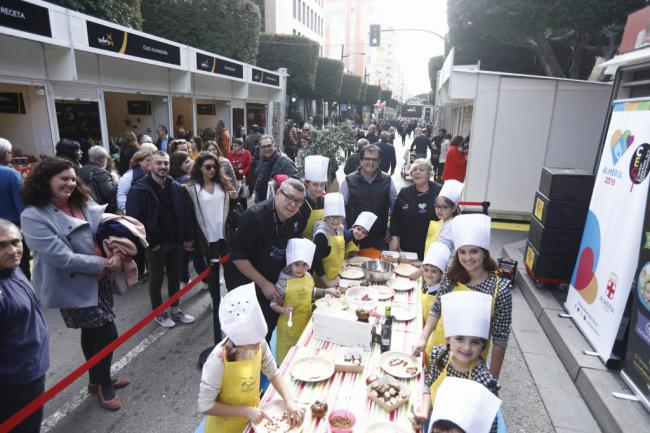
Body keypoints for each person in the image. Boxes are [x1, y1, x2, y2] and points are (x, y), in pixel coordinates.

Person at [21, 158, 129, 410]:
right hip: (72, 283)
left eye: (73, 178)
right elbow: (62, 258)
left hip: (99, 278)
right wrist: (104, 263)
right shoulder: (33, 215)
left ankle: (96, 378)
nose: (70, 183)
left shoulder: (81, 201)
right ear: (45, 181)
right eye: (63, 179)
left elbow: (101, 226)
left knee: (92, 331)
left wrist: (119, 241)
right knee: (107, 333)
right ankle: (104, 384)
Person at [413, 214, 513, 379]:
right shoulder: (451, 276)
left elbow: (500, 339)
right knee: (429, 390)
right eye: (462, 252)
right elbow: (436, 308)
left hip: (470, 359)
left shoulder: (500, 290)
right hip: (437, 346)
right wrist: (423, 338)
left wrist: (493, 378)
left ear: (484, 253)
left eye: (474, 251)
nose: (467, 258)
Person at [198, 283, 305, 433]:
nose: (258, 346)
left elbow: (272, 371)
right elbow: (205, 405)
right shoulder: (218, 360)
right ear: (238, 340)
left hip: (252, 418)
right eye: (252, 344)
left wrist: (289, 400)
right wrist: (245, 411)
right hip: (226, 427)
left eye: (259, 341)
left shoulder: (258, 341)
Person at [228, 178, 306, 342]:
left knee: (269, 328)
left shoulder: (298, 218)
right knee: (250, 336)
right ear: (278, 193)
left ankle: (267, 364)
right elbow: (238, 257)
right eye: (289, 197)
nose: (292, 204)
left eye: (298, 201)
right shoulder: (254, 217)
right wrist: (264, 284)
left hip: (275, 281)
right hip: (249, 283)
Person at [411, 291, 499, 433]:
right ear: (448, 338)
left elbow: (489, 428)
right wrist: (424, 414)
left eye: (475, 342)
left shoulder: (484, 383)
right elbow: (429, 385)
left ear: (483, 345)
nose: (466, 347)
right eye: (459, 339)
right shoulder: (440, 355)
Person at [126, 151, 196, 328]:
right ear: (150, 165)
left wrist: (187, 237)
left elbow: (186, 213)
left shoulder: (176, 187)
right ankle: (159, 313)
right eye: (158, 163)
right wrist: (150, 242)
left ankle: (175, 309)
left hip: (176, 242)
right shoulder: (138, 189)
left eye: (165, 163)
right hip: (155, 245)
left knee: (174, 277)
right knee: (156, 280)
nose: (163, 167)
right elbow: (134, 220)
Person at [0, 219, 49, 433]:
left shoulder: (13, 269)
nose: (12, 250)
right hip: (16, 383)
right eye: (1, 245)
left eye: (15, 242)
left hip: (31, 371)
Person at [185, 152, 237, 343]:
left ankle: (231, 302)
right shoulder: (192, 188)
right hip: (205, 238)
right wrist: (189, 238)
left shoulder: (222, 184)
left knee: (230, 271)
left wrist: (234, 194)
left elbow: (234, 201)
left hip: (225, 236)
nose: (212, 170)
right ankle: (216, 302)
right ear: (199, 167)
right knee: (212, 275)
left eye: (214, 167)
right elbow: (189, 215)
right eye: (208, 167)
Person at [272, 238, 339, 363]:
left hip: (306, 322)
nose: (300, 268)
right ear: (290, 263)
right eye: (296, 264)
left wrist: (327, 291)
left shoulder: (308, 276)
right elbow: (273, 304)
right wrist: (284, 310)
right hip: (288, 327)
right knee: (287, 360)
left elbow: (312, 291)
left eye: (304, 265)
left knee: (303, 358)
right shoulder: (283, 282)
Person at [340, 144, 397, 252]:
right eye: (367, 159)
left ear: (379, 161)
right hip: (355, 238)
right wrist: (346, 233)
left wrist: (390, 228)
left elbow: (395, 206)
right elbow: (341, 207)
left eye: (374, 159)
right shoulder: (348, 181)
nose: (371, 162)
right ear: (360, 160)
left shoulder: (387, 180)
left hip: (380, 238)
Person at [389, 159, 442, 260]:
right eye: (414, 170)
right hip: (408, 248)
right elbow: (395, 218)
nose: (417, 172)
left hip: (433, 248)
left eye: (422, 170)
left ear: (429, 173)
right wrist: (395, 237)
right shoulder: (405, 193)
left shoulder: (439, 191)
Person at [0, 138, 30, 278]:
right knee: (20, 273)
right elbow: (23, 207)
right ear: (6, 153)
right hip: (12, 234)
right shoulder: (11, 174)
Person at [418, 242, 451, 365]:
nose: (428, 274)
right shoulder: (426, 285)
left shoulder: (440, 292)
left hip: (432, 334)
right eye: (425, 270)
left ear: (442, 274)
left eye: (434, 271)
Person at [312, 193, 349, 288]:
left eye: (339, 217)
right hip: (323, 281)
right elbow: (316, 261)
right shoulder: (321, 235)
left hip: (337, 276)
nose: (336, 221)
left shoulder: (340, 228)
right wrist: (327, 282)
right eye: (332, 217)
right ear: (326, 217)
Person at [253, 135, 299, 203]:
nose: (267, 149)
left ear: (274, 145)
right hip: (262, 203)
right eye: (264, 147)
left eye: (269, 146)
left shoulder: (284, 161)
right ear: (260, 149)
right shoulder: (261, 161)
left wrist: (278, 182)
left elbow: (296, 180)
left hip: (280, 203)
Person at [424, 180, 464, 259]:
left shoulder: (450, 227)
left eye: (444, 207)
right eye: (437, 206)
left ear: (453, 209)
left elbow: (440, 255)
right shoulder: (443, 221)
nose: (439, 210)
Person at [79, 146, 118, 213]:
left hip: (86, 206)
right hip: (102, 209)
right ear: (103, 158)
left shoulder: (81, 170)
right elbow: (109, 192)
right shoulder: (101, 172)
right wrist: (116, 181)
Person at [298, 155, 328, 240]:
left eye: (322, 185)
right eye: (315, 184)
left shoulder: (325, 202)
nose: (319, 189)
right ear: (307, 183)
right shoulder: (299, 203)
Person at [117, 149, 153, 214]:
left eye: (152, 160)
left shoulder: (153, 175)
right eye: (148, 160)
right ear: (139, 161)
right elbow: (121, 194)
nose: (151, 163)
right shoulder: (129, 176)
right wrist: (125, 209)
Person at [227, 138, 252, 209]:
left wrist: (243, 171)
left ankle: (244, 210)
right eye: (233, 146)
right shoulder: (229, 153)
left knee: (243, 197)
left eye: (236, 146)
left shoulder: (246, 153)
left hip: (242, 179)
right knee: (234, 196)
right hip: (232, 179)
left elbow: (249, 164)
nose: (234, 147)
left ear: (240, 146)